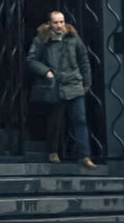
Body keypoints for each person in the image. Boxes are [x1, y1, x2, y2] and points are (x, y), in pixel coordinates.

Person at [26, 10, 97, 169]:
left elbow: (83, 59)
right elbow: (32, 60)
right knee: (55, 121)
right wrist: (46, 71)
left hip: (74, 83)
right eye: (56, 22)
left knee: (80, 120)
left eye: (61, 22)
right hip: (55, 85)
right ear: (49, 24)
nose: (59, 26)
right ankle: (53, 152)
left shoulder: (73, 38)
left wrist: (87, 82)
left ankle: (85, 156)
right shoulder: (41, 40)